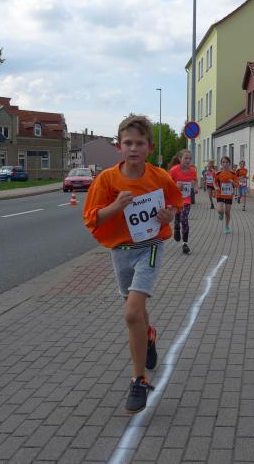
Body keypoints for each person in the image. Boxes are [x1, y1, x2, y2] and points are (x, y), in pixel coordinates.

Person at [83, 115, 183, 414]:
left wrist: (168, 215)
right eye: (128, 143)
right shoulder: (107, 180)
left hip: (149, 248)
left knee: (130, 313)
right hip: (120, 251)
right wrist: (116, 207)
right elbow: (92, 218)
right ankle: (148, 336)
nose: (134, 148)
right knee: (136, 310)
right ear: (119, 147)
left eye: (140, 143)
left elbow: (174, 204)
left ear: (149, 147)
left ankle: (138, 380)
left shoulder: (159, 177)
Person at [168, 149, 198, 254]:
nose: (188, 160)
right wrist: (175, 186)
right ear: (180, 159)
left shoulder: (192, 170)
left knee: (184, 219)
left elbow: (195, 180)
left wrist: (195, 187)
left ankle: (185, 243)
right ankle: (176, 228)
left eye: (190, 158)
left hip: (186, 199)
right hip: (176, 199)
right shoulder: (174, 170)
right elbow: (167, 183)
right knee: (177, 217)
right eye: (186, 158)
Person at [214, 156, 237, 234]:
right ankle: (221, 214)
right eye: (223, 162)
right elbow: (214, 182)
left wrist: (232, 182)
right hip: (220, 194)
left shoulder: (233, 174)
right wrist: (216, 187)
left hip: (228, 195)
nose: (225, 164)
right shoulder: (218, 173)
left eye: (227, 162)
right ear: (221, 163)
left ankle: (226, 227)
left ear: (229, 163)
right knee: (220, 210)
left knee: (227, 211)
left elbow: (237, 185)